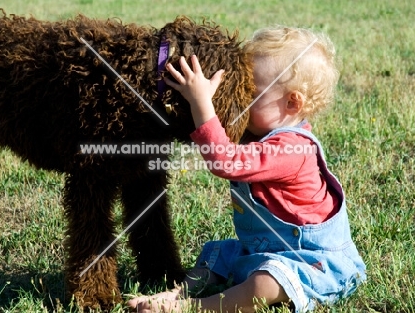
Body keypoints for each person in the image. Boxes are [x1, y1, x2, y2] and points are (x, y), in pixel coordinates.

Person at [128, 25, 366, 313]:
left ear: (292, 102)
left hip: (309, 261)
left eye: (250, 92)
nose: (239, 98)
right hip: (262, 250)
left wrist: (201, 102)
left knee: (264, 284)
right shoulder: (261, 132)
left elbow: (225, 161)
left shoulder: (293, 150)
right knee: (218, 256)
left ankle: (195, 307)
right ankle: (177, 293)